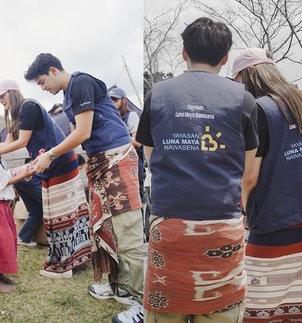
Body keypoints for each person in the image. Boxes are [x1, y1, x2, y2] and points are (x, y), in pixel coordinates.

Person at [136, 17, 259, 322]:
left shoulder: (158, 95)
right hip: (223, 228)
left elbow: (152, 158)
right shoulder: (243, 100)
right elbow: (249, 174)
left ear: (183, 53)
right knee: (222, 313)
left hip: (169, 227)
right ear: (226, 58)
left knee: (164, 310)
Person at [25, 53, 146, 323]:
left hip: (116, 159)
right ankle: (121, 287)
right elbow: (77, 135)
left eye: (42, 81)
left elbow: (83, 133)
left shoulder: (79, 83)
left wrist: (50, 155)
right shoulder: (68, 97)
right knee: (109, 229)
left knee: (128, 230)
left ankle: (141, 302)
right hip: (100, 162)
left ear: (53, 70)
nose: (43, 87)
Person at [0, 79, 91, 279]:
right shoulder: (17, 115)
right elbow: (9, 141)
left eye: (2, 96)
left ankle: (64, 265)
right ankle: (67, 261)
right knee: (54, 214)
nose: (1, 100)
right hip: (49, 166)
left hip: (59, 162)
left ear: (13, 92)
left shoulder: (28, 107)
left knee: (62, 212)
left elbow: (22, 142)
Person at [231, 48, 302, 322]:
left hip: (273, 222)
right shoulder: (297, 101)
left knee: (260, 305)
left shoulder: (260, 109)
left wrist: (241, 211)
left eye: (237, 81)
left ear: (248, 76)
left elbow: (250, 176)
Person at [0, 124, 34, 293]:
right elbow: (3, 181)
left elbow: (5, 175)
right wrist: (27, 172)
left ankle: (0, 275)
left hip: (1, 208)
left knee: (5, 242)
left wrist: (25, 168)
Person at [109, 86, 147, 237]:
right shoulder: (110, 117)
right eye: (110, 100)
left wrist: (117, 138)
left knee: (136, 194)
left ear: (123, 100)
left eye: (115, 99)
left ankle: (141, 229)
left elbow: (137, 142)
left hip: (132, 161)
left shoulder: (131, 117)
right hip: (116, 162)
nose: (112, 103)